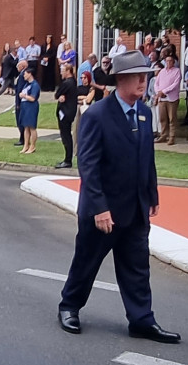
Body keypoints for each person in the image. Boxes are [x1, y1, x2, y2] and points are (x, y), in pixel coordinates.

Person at [56, 50, 179, 342]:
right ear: (121, 79)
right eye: (138, 76)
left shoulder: (145, 112)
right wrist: (99, 208)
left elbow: (146, 157)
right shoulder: (97, 115)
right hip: (103, 210)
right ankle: (69, 306)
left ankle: (141, 319)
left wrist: (152, 193)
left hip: (135, 208)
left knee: (137, 268)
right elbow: (88, 164)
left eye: (145, 76)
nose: (143, 82)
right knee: (86, 262)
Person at [152, 47, 181, 146]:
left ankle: (172, 137)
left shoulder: (177, 71)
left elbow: (175, 84)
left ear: (173, 62)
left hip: (172, 98)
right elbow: (156, 83)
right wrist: (159, 92)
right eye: (167, 61)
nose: (168, 63)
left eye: (170, 61)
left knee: (172, 118)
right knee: (162, 118)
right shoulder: (162, 71)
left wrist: (164, 91)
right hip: (162, 98)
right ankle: (163, 135)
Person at [53, 60, 79, 167]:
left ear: (68, 71)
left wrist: (59, 96)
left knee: (66, 136)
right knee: (66, 136)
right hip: (69, 112)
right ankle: (67, 159)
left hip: (65, 113)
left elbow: (56, 94)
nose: (61, 73)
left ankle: (68, 160)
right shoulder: (73, 82)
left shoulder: (67, 83)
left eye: (63, 71)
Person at [15, 64, 42, 156]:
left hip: (31, 106)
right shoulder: (26, 84)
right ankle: (26, 145)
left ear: (30, 74)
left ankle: (33, 146)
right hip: (24, 106)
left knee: (31, 127)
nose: (24, 75)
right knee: (26, 127)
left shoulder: (35, 85)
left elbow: (33, 98)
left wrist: (24, 96)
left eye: (25, 74)